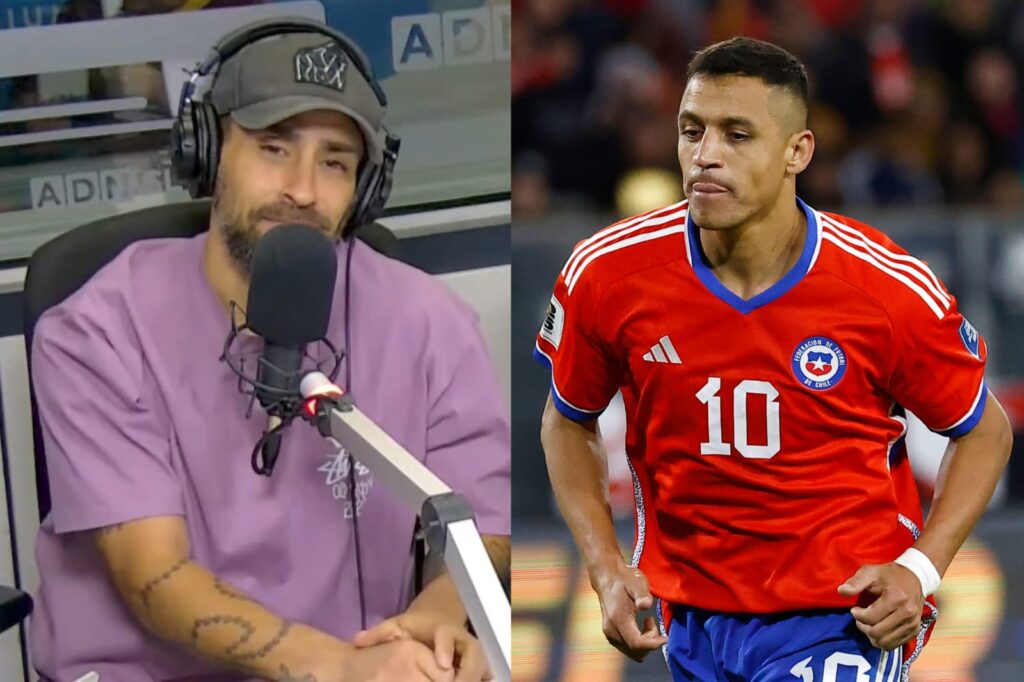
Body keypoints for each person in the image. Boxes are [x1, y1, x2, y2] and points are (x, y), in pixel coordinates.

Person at [30, 19, 510, 682]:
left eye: (335, 163)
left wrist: (438, 612)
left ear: (364, 191)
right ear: (205, 151)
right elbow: (155, 576)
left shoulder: (430, 322)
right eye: (273, 148)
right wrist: (340, 667)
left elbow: (481, 518)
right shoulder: (94, 333)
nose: (303, 190)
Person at [534, 37, 1012, 682]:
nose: (705, 156)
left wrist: (921, 568)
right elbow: (568, 419)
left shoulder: (883, 289)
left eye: (737, 135)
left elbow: (984, 430)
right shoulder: (608, 274)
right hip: (692, 614)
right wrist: (603, 563)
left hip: (841, 609)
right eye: (691, 130)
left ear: (797, 152)